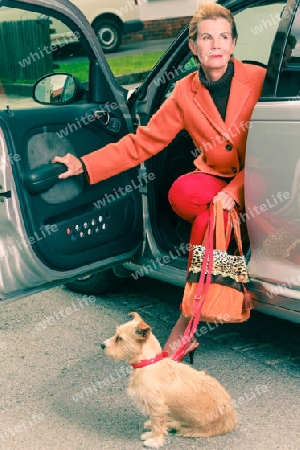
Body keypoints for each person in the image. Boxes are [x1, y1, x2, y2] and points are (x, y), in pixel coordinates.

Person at [53, 3, 266, 360]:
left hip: (258, 178)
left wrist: (232, 192)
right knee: (185, 194)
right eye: (205, 38)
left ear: (233, 44)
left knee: (208, 218)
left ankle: (186, 326)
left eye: (224, 37)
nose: (215, 44)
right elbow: (142, 142)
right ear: (194, 47)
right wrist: (85, 165)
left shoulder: (258, 79)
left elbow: (267, 153)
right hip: (212, 181)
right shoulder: (185, 92)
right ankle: (227, 277)